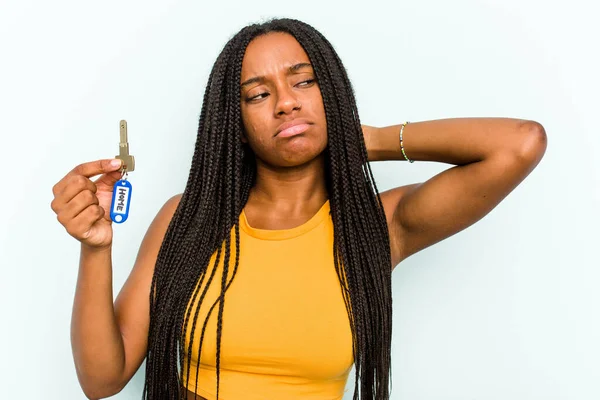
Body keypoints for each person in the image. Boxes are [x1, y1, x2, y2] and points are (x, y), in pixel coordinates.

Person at [50, 18, 547, 400]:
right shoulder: (188, 218)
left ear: (332, 92)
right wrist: (96, 249)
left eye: (304, 83)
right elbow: (103, 378)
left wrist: (366, 140)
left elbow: (519, 144)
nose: (285, 103)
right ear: (234, 123)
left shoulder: (377, 227)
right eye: (259, 94)